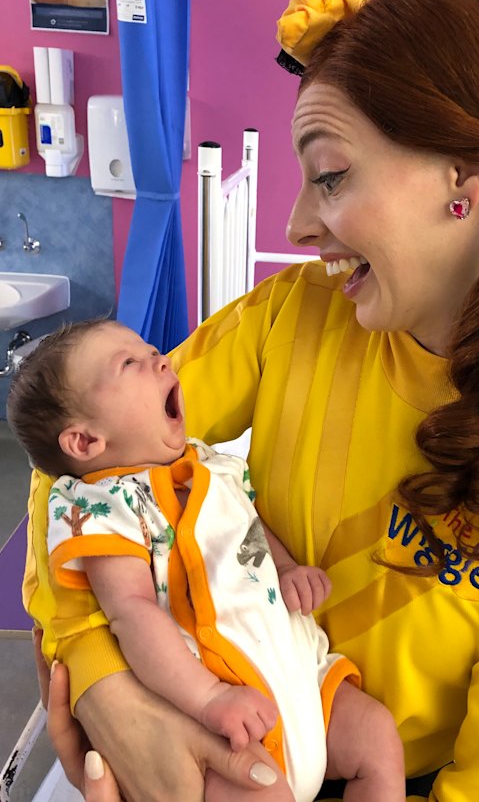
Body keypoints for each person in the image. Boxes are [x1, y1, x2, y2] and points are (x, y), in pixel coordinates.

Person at [22, 0, 479, 802]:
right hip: (213, 728)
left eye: (330, 176)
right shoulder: (293, 315)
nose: (295, 224)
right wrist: (110, 691)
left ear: (465, 179)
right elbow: (72, 466)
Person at [8, 319, 404, 802]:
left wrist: (284, 571)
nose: (162, 359)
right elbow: (131, 613)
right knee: (260, 792)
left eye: (152, 351)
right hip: (220, 708)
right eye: (130, 363)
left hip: (303, 681)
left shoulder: (209, 464)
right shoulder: (102, 504)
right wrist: (209, 698)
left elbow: (248, 526)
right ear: (86, 442)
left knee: (377, 735)